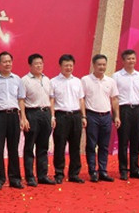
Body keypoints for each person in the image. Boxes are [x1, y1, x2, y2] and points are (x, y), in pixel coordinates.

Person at [0, 51, 26, 190]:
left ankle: (15, 179)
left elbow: (21, 100)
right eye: (4, 61)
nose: (7, 64)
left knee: (13, 148)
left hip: (14, 115)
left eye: (9, 61)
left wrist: (23, 118)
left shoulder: (17, 79)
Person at [81, 54, 120, 183]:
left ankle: (103, 170)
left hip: (106, 116)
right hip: (92, 115)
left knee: (104, 145)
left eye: (104, 64)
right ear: (94, 65)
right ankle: (92, 171)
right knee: (91, 145)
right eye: (99, 64)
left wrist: (116, 116)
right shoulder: (85, 80)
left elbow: (114, 99)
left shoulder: (110, 81)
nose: (102, 67)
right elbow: (82, 99)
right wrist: (83, 116)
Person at [113, 49, 139, 180]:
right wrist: (116, 115)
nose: (131, 61)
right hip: (124, 110)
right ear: (123, 61)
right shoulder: (116, 76)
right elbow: (114, 97)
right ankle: (123, 170)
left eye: (133, 58)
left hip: (137, 110)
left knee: (136, 141)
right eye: (128, 59)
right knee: (123, 141)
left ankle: (135, 169)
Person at [49, 54, 85, 184]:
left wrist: (83, 116)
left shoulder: (78, 81)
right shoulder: (53, 82)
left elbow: (81, 100)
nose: (68, 68)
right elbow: (51, 100)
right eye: (66, 65)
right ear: (60, 66)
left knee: (75, 146)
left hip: (76, 115)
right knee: (60, 145)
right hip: (61, 116)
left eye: (71, 65)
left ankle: (74, 174)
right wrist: (52, 116)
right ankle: (59, 173)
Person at [21, 53, 56, 186]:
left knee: (43, 146)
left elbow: (51, 99)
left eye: (41, 63)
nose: (39, 66)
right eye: (36, 63)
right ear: (30, 65)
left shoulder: (47, 80)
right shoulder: (25, 80)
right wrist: (23, 118)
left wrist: (52, 115)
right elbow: (21, 100)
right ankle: (30, 176)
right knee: (30, 146)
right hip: (32, 113)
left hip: (46, 113)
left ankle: (42, 175)